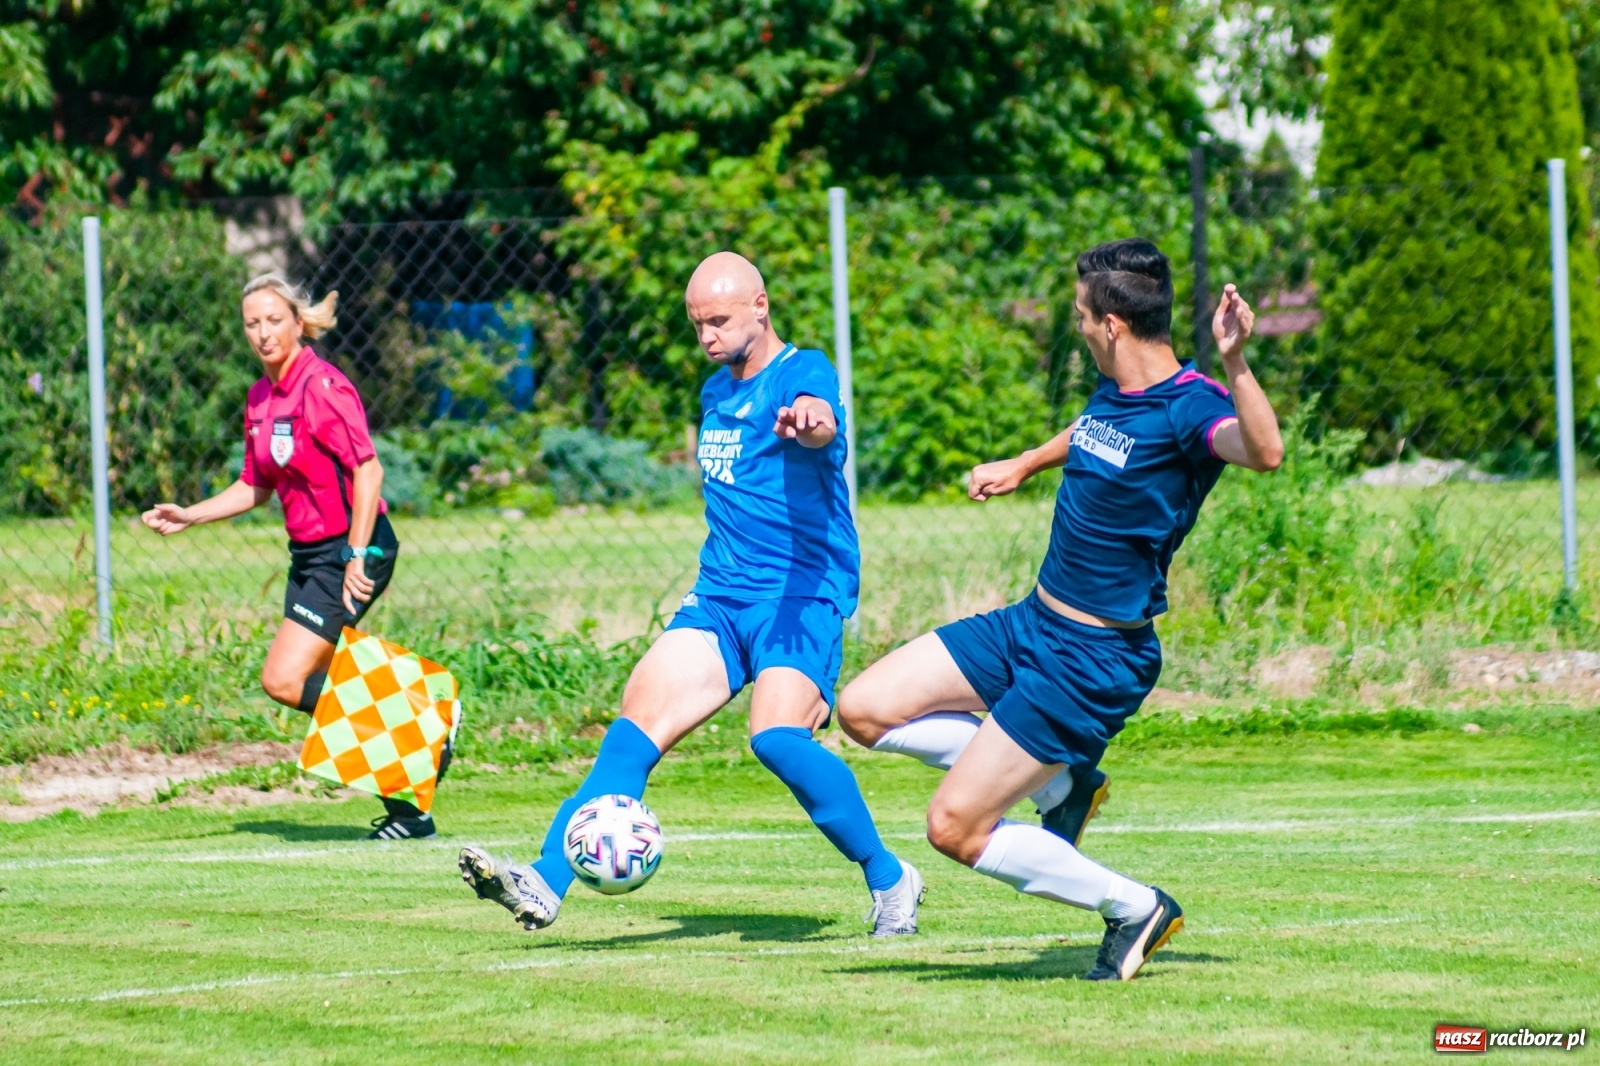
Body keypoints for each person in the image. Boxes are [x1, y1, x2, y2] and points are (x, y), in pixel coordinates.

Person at [837, 238, 1284, 980]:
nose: (1077, 327)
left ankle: (1134, 907)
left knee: (953, 827)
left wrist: (1236, 361)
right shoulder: (1117, 389)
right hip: (1029, 626)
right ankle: (1060, 785)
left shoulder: (1190, 406)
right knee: (863, 709)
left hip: (1091, 660)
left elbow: (1262, 451)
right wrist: (1024, 463)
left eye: (1081, 315)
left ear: (1112, 324)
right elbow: (1093, 433)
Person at [459, 251, 923, 934]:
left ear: (760, 307)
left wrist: (809, 423)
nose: (707, 335)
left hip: (798, 600)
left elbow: (822, 417)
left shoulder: (802, 372)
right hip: (720, 597)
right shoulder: (715, 390)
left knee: (776, 739)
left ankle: (890, 879)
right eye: (697, 324)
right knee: (633, 730)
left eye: (720, 320)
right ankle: (546, 881)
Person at [141, 274, 448, 841]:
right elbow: (253, 485)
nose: (263, 333)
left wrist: (358, 555)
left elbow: (368, 469)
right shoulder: (260, 397)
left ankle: (422, 736)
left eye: (274, 320)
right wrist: (190, 514)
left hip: (353, 548)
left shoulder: (322, 386)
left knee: (285, 679)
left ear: (298, 322)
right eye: (252, 323)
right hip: (309, 556)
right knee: (317, 676)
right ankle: (414, 790)